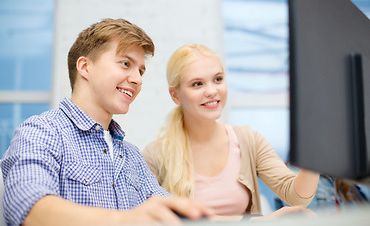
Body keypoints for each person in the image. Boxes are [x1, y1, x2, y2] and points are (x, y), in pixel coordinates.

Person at [0, 19, 213, 226]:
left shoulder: (131, 155)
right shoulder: (42, 131)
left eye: (140, 71)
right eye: (126, 64)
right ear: (85, 67)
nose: (137, 79)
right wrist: (128, 220)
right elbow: (30, 209)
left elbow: (168, 211)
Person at [143, 43, 320, 219]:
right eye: (197, 84)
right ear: (175, 95)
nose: (212, 91)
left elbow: (297, 197)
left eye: (218, 79)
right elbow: (155, 219)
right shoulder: (154, 156)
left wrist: (316, 146)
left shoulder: (249, 140)